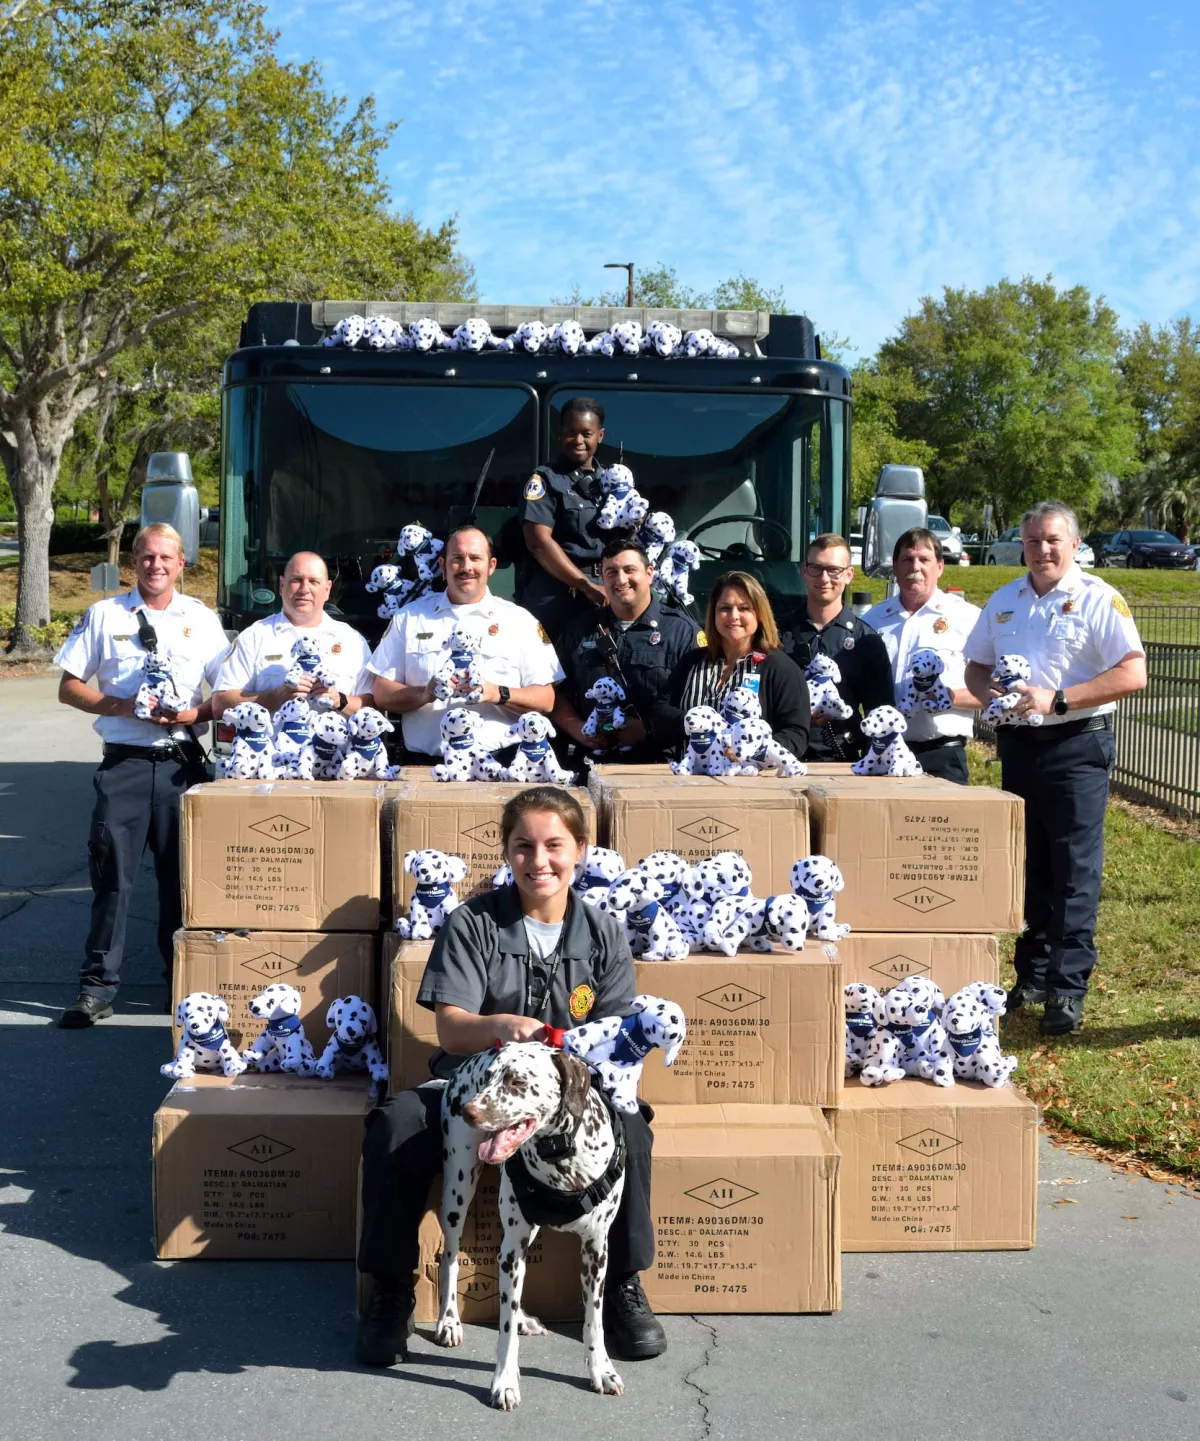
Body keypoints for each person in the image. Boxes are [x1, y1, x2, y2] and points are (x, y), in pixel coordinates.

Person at [356, 786, 666, 1367]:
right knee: (395, 1125)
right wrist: (505, 1026)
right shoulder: (472, 923)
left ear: (580, 850)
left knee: (633, 1129)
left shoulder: (603, 932)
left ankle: (623, 1284)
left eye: (554, 845)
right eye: (523, 846)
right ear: (506, 851)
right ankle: (391, 1290)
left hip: (572, 1096)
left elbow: (617, 1036)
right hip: (473, 1087)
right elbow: (450, 1031)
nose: (539, 861)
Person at [964, 501, 1146, 1036]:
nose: (1042, 550)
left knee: (1073, 871)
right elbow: (975, 667)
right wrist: (988, 695)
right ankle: (1033, 976)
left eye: (1052, 540)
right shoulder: (1004, 601)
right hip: (1019, 746)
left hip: (1076, 745)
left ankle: (1067, 990)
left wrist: (1059, 700)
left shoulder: (1097, 599)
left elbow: (1133, 672)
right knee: (1029, 863)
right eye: (1033, 541)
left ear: (1074, 545)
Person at [53, 523, 229, 1028]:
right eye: (148, 557)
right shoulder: (106, 616)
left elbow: (226, 692)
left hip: (180, 766)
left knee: (182, 883)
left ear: (181, 564)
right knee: (112, 880)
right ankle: (97, 988)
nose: (156, 565)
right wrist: (125, 705)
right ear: (135, 560)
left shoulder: (201, 619)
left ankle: (179, 982)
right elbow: (69, 687)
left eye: (166, 558)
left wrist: (192, 717)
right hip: (124, 764)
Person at [368, 525, 563, 763]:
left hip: (502, 764)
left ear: (491, 566)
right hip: (426, 768)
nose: (466, 567)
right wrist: (425, 694)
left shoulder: (519, 621)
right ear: (442, 566)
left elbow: (546, 700)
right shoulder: (410, 617)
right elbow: (381, 692)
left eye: (475, 558)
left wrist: (497, 693)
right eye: (457, 559)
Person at [552, 539, 700, 766]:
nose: (620, 580)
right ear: (602, 578)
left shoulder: (682, 632)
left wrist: (647, 729)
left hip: (659, 766)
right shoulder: (579, 630)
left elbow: (700, 705)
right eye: (611, 572)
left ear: (650, 574)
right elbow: (557, 692)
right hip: (590, 764)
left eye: (629, 570)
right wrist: (578, 728)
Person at [863, 528, 981, 784]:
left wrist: (950, 697)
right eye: (907, 559)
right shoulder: (872, 621)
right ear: (894, 566)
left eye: (924, 560)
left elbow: (993, 690)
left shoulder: (968, 618)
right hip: (883, 755)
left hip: (942, 756)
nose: (915, 567)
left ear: (940, 566)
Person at [653, 570, 810, 759]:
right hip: (691, 777)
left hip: (751, 781)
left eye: (744, 608)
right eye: (725, 608)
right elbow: (660, 712)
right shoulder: (691, 662)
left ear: (760, 614)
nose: (734, 616)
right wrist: (693, 722)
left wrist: (752, 752)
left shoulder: (781, 669)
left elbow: (796, 734)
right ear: (713, 614)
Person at [211, 551, 373, 722]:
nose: (304, 590)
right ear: (282, 586)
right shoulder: (254, 637)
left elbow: (373, 705)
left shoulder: (352, 641)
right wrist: (274, 697)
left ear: (327, 589)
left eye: (314, 582)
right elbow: (219, 704)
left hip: (335, 748)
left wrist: (339, 700)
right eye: (296, 580)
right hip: (272, 748)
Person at [778, 534, 894, 762]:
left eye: (833, 570)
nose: (824, 578)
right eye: (815, 568)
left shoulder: (866, 641)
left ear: (849, 575)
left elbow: (880, 714)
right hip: (781, 758)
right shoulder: (777, 635)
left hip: (844, 761)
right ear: (804, 570)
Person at [517, 396, 610, 644]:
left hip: (604, 589)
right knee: (547, 670)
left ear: (599, 436)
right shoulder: (545, 479)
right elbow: (538, 542)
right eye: (571, 433)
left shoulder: (612, 482)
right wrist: (584, 585)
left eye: (586, 433)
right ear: (560, 434)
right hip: (556, 592)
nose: (578, 441)